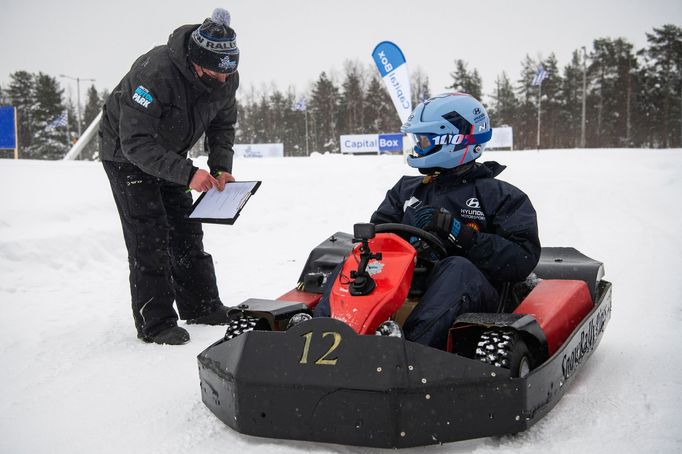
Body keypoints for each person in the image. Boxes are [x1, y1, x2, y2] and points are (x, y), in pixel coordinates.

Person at [314, 93, 541, 350]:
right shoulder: (406, 189)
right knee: (359, 256)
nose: (418, 147)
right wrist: (407, 241)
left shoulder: (501, 196)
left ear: (454, 140)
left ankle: (409, 351)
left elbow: (521, 260)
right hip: (407, 282)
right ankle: (322, 335)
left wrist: (462, 235)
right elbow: (380, 235)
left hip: (476, 295)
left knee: (457, 267)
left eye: (423, 140)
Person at [99, 8, 241, 345]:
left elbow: (223, 124)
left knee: (186, 229)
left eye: (228, 73)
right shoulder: (155, 74)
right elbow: (134, 142)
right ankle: (157, 323)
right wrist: (188, 174)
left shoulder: (225, 74)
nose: (223, 81)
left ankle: (203, 307)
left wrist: (221, 167)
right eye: (215, 73)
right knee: (150, 235)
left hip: (172, 155)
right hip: (126, 156)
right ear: (195, 62)